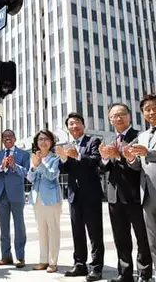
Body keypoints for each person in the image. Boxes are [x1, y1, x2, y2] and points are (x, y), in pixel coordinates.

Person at [99, 103, 152, 282]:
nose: (118, 118)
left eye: (122, 114)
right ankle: (125, 274)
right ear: (110, 119)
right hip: (114, 196)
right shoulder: (108, 138)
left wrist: (119, 155)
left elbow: (138, 165)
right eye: (114, 116)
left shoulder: (139, 136)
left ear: (129, 116)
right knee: (121, 238)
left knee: (142, 237)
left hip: (135, 194)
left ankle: (144, 274)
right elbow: (103, 167)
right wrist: (105, 158)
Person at [55, 112, 104, 282]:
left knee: (95, 234)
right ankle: (80, 264)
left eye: (76, 123)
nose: (73, 126)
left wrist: (78, 156)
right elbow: (64, 170)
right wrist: (62, 159)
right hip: (74, 195)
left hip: (91, 195)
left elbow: (95, 161)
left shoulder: (93, 141)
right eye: (70, 124)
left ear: (83, 125)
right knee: (77, 233)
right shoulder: (68, 145)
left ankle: (96, 268)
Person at [124, 94, 156, 280]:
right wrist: (130, 158)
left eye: (154, 107)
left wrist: (148, 152)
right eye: (147, 110)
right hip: (148, 197)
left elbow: (149, 155)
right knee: (153, 241)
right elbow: (139, 165)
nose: (151, 112)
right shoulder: (142, 136)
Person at [0, 129, 30, 268]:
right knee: (3, 228)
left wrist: (13, 165)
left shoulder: (23, 154)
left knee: (19, 227)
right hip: (2, 195)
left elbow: (26, 173)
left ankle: (20, 257)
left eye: (10, 136)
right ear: (2, 140)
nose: (7, 138)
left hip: (17, 195)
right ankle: (5, 256)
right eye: (5, 136)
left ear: (15, 138)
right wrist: (2, 166)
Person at [27, 130, 62, 273]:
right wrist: (34, 167)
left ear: (51, 142)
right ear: (36, 143)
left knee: (53, 230)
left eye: (46, 139)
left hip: (52, 199)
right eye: (40, 139)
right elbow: (30, 178)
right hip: (37, 198)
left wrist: (40, 165)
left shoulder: (56, 158)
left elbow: (52, 175)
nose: (43, 142)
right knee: (41, 231)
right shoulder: (34, 157)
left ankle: (53, 262)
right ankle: (43, 260)